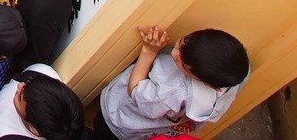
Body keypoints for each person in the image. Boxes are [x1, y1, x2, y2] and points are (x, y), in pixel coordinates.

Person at [94, 25, 249, 139]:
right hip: (148, 128)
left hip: (118, 123)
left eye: (183, 63)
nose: (175, 52)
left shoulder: (172, 93)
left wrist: (149, 51)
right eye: (186, 40)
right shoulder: (237, 72)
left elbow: (134, 89)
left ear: (202, 80)